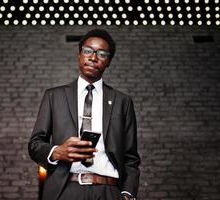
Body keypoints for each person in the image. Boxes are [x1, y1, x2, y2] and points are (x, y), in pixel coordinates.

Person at [28, 29, 140, 200]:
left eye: (102, 54)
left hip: (109, 191)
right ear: (79, 55)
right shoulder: (54, 96)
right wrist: (57, 152)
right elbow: (35, 145)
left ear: (108, 61)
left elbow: (131, 157)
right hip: (65, 190)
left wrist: (127, 193)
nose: (93, 57)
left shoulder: (122, 101)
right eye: (88, 51)